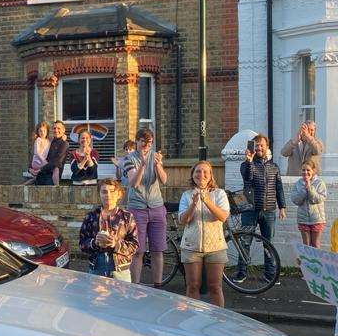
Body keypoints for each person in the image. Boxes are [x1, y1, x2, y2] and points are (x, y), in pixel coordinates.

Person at [178, 161, 230, 308]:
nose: (201, 175)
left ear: (210, 175)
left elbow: (223, 217)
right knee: (193, 286)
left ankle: (218, 320)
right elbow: (183, 220)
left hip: (216, 247)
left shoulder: (219, 194)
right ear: (193, 175)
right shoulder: (186, 195)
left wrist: (207, 201)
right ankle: (192, 319)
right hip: (191, 246)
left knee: (215, 286)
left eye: (205, 172)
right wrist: (193, 204)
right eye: (198, 171)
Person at [236, 134, 286, 282]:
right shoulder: (246, 164)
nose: (258, 147)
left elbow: (279, 188)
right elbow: (247, 178)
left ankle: (270, 274)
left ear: (267, 147)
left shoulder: (274, 167)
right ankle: (241, 273)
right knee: (245, 241)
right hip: (250, 210)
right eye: (256, 145)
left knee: (268, 243)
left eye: (261, 145)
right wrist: (249, 161)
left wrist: (282, 206)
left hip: (269, 210)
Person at [122, 128, 168, 286]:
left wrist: (158, 165)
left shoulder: (156, 156)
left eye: (148, 142)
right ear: (137, 141)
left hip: (156, 207)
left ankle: (158, 285)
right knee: (138, 251)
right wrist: (142, 165)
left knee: (157, 250)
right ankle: (135, 286)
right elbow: (133, 183)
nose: (145, 145)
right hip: (137, 208)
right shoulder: (129, 159)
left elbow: (164, 180)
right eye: (142, 141)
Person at [79, 179, 138, 281]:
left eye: (112, 191)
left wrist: (116, 244)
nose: (108, 195)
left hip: (120, 270)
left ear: (119, 194)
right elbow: (82, 244)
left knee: (121, 297)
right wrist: (94, 243)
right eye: (104, 192)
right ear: (99, 194)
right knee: (97, 297)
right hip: (97, 268)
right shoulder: (91, 216)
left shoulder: (127, 217)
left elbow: (134, 245)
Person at [291, 158, 327, 248]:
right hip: (303, 219)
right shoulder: (298, 184)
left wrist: (310, 188)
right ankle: (306, 263)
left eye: (308, 170)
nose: (305, 172)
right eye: (303, 170)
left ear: (313, 170)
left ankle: (317, 263)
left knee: (315, 245)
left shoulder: (320, 183)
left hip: (317, 219)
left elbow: (318, 199)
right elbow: (296, 200)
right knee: (306, 246)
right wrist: (304, 190)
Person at [35, 121, 69, 186]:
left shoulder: (64, 144)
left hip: (51, 178)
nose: (56, 130)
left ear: (63, 130)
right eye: (54, 128)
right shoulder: (49, 142)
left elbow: (57, 162)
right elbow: (39, 154)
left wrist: (40, 169)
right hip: (41, 176)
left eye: (59, 128)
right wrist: (31, 168)